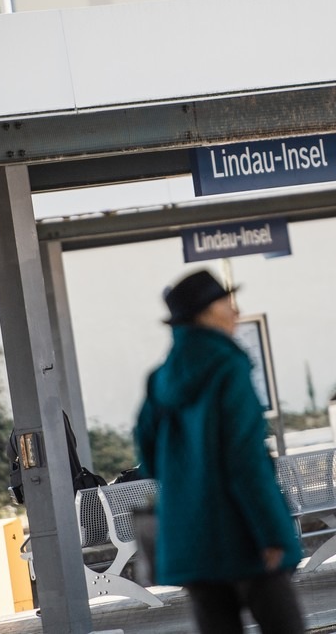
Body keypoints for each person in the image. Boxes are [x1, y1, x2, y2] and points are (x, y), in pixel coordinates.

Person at [135, 269, 305, 634]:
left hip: (193, 539)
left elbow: (150, 459)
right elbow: (245, 461)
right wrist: (273, 534)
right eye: (227, 302)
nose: (236, 311)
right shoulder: (229, 367)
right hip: (244, 535)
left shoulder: (160, 378)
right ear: (207, 312)